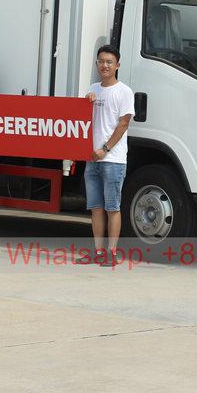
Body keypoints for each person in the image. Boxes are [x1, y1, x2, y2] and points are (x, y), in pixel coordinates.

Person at [80, 45, 134, 266]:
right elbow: (81, 118)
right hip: (91, 159)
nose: (105, 65)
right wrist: (86, 100)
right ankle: (98, 251)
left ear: (117, 65)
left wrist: (106, 149)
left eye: (109, 62)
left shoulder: (124, 91)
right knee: (95, 208)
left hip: (112, 159)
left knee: (113, 207)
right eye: (101, 61)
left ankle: (112, 253)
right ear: (96, 64)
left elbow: (123, 124)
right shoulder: (93, 89)